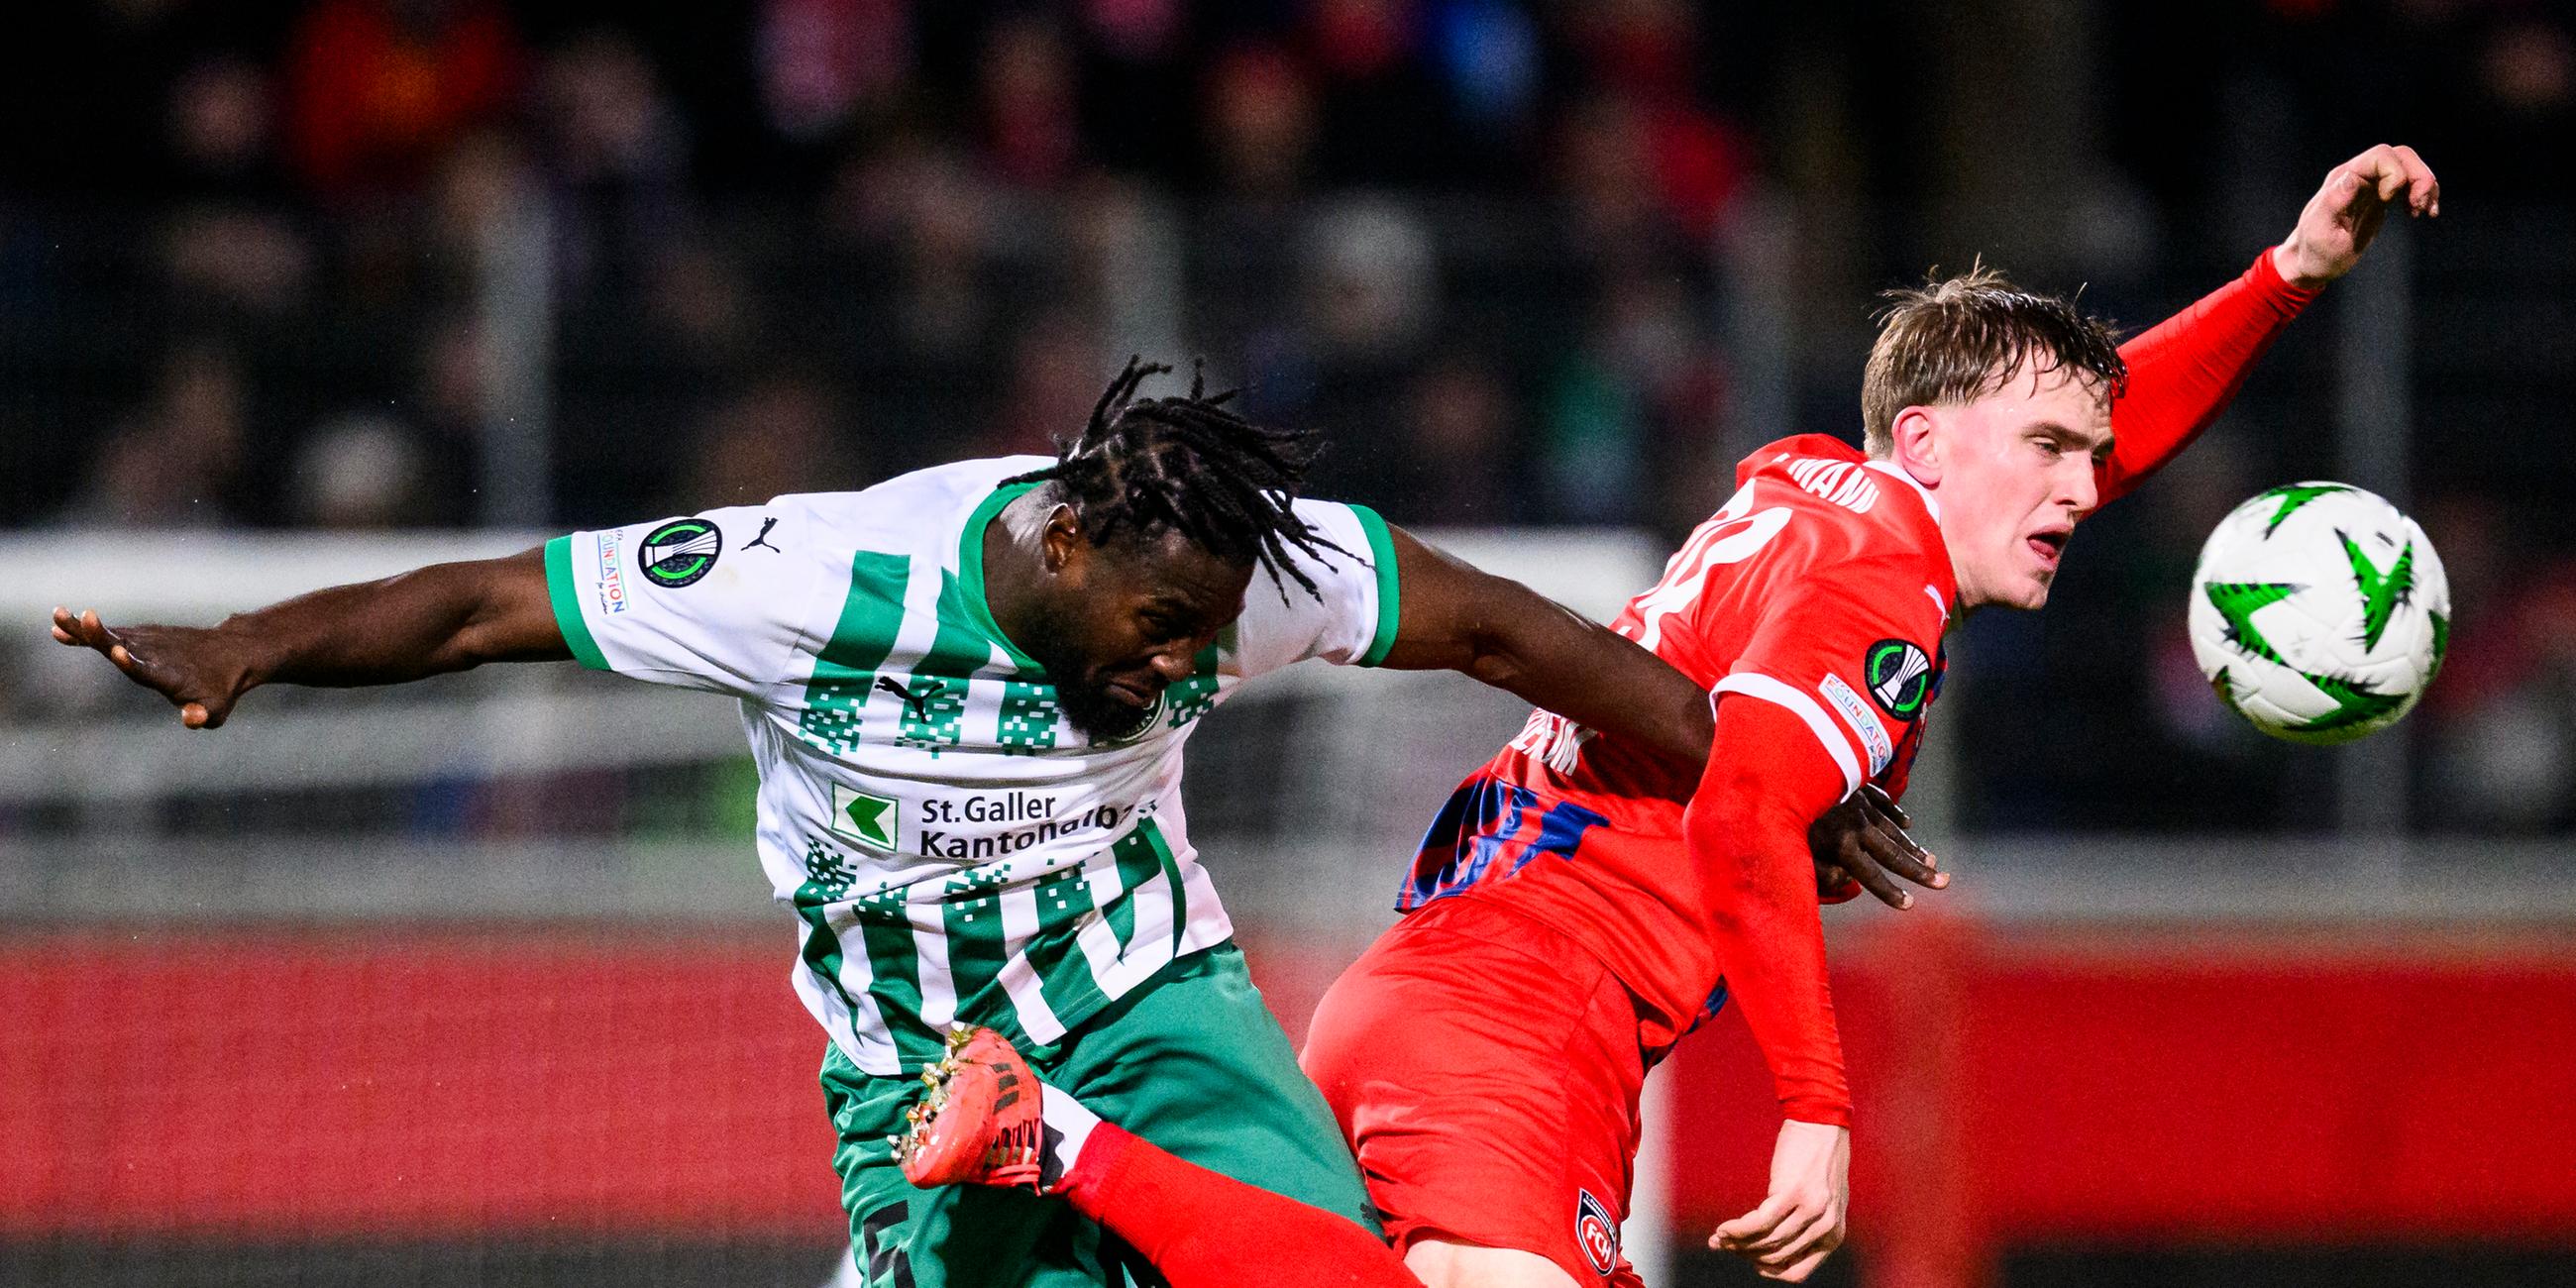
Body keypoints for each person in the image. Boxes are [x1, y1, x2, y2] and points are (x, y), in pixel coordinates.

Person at [881, 144, 2441, 1288]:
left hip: (1462, 998)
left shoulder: (1819, 490)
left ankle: (1055, 1145)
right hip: (1518, 1026)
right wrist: (1819, 1113)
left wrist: (2284, 281)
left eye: (2085, 459)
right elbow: (1748, 804)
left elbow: (2069, 435)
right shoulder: (1881, 580)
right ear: (1923, 439)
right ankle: (1051, 1141)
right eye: (2046, 448)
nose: (2081, 488)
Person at [50, 359, 1931, 1288]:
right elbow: (481, 608)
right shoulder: (817, 573)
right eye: (1158, 629)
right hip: (905, 1064)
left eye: (1208, 638)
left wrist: (1760, 778)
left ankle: (1070, 1140)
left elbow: (1527, 639)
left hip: (1150, 996)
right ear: (1066, 538)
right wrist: (255, 648)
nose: (1183, 664)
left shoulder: (1250, 576)